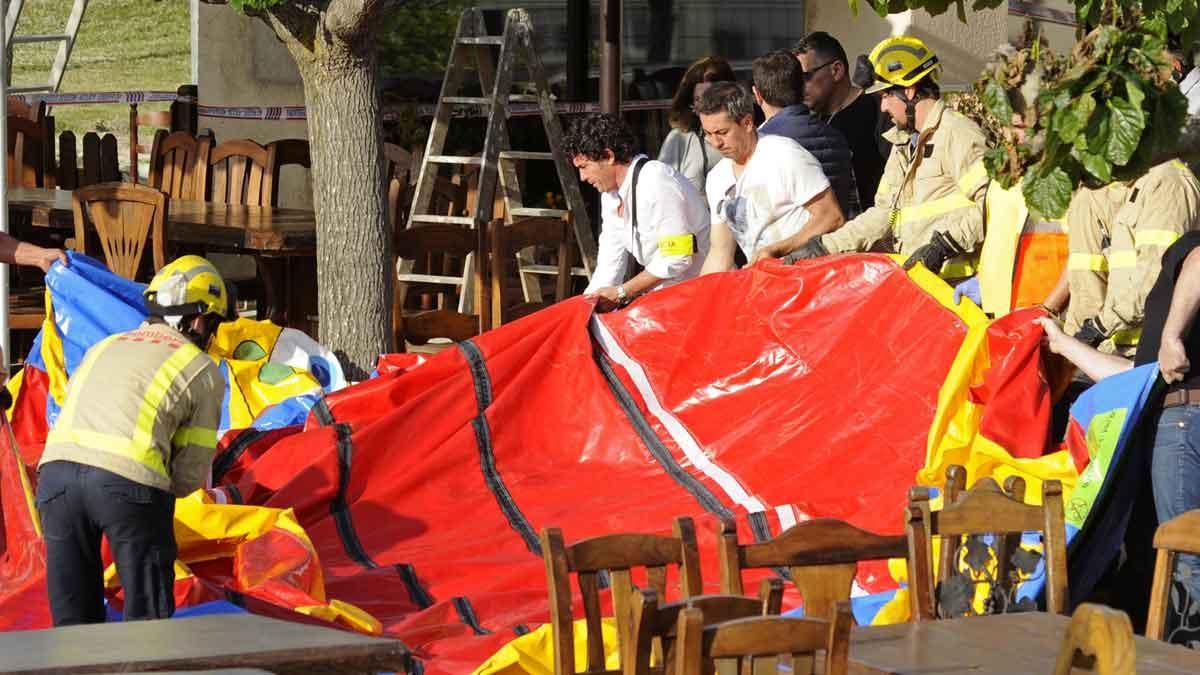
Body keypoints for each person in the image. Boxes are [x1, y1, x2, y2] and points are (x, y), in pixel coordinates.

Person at [35, 255, 227, 625]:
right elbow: (188, 477)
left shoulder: (106, 346)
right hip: (130, 484)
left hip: (55, 480)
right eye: (214, 324)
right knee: (146, 627)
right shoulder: (201, 369)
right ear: (200, 320)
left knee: (72, 629)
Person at [1037, 231, 1200, 639]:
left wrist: (1170, 335)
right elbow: (1136, 377)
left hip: (1184, 421)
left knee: (1184, 555)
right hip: (1176, 415)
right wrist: (1064, 346)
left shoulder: (1191, 249)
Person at [786, 36, 989, 281]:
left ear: (909, 90)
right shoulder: (903, 144)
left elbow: (990, 204)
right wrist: (823, 247)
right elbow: (883, 214)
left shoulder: (957, 133)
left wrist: (944, 245)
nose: (882, 107)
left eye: (885, 96)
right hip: (924, 284)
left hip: (961, 284)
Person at [563, 114, 710, 311]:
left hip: (702, 296)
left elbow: (677, 257)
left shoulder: (656, 180)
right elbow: (610, 261)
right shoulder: (610, 195)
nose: (582, 177)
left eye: (584, 167)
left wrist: (623, 292)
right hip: (667, 298)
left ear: (609, 156)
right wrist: (585, 307)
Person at [694, 81, 845, 271]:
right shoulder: (717, 178)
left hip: (810, 276)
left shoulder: (784, 154)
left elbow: (832, 217)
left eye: (722, 132)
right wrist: (703, 296)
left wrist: (777, 250)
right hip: (765, 286)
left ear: (747, 123)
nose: (715, 143)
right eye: (707, 133)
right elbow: (720, 254)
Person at [1063, 161, 1200, 356]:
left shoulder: (1168, 182)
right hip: (1118, 349)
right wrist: (1072, 342)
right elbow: (1088, 284)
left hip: (1161, 352)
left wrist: (1098, 328)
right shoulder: (1127, 187)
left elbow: (1156, 278)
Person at [752, 49, 861, 218]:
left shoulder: (758, 144)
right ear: (802, 87)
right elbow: (852, 203)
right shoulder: (835, 136)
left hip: (787, 242)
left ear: (757, 95)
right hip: (836, 239)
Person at [793, 31, 891, 208]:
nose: (799, 87)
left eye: (806, 77)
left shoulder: (880, 110)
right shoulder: (807, 122)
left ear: (836, 70)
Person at [657, 56, 736, 197]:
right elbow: (662, 192)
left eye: (712, 99)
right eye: (698, 100)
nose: (706, 107)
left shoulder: (745, 135)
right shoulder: (680, 138)